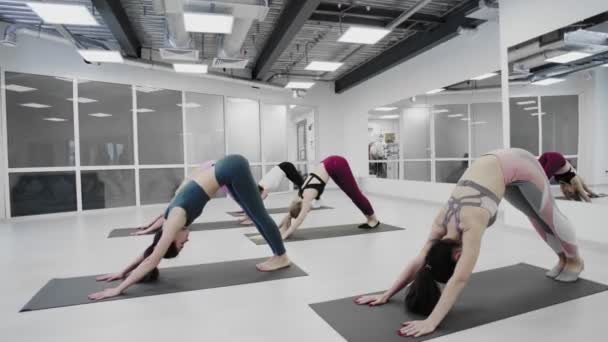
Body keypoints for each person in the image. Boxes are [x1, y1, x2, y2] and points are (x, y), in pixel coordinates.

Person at [355, 148, 584, 338]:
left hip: (518, 162)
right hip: (497, 168)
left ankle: (574, 261)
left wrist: (431, 322)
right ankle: (561, 258)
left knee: (549, 215)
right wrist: (387, 294)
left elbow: (460, 278)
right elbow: (420, 261)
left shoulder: (470, 224)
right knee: (533, 215)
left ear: (456, 256)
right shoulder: (440, 226)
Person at [89, 155, 290, 301]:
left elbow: (153, 260)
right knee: (254, 215)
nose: (186, 242)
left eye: (181, 246)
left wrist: (119, 289)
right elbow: (152, 249)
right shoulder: (169, 220)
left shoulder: (175, 219)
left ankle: (281, 256)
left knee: (259, 214)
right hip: (227, 169)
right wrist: (122, 271)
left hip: (232, 168)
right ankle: (277, 255)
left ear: (173, 239)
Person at [280, 155, 380, 239]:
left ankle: (373, 220)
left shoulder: (306, 198)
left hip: (336, 164)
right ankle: (369, 218)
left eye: (306, 210)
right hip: (330, 163)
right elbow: (290, 213)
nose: (308, 211)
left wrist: (286, 234)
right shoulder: (298, 197)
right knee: (352, 193)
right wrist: (279, 227)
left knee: (355, 194)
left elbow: (300, 218)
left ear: (302, 207)